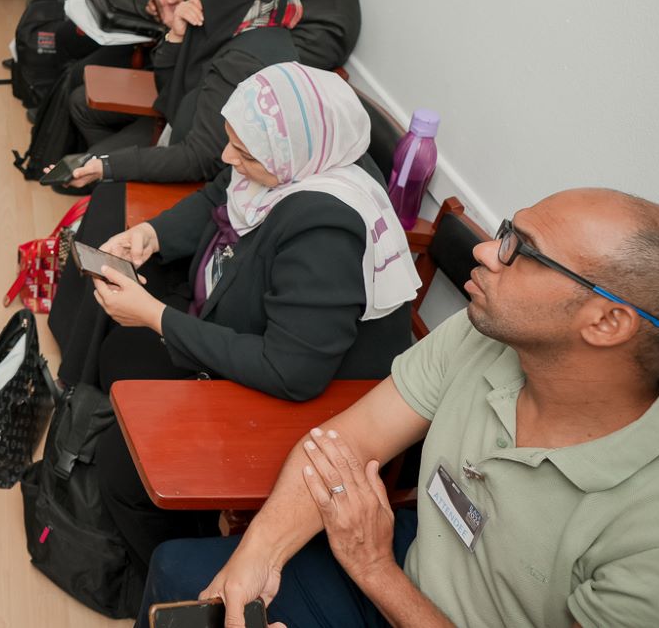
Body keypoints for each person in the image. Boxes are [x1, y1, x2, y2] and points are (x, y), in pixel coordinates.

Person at [141, 189, 659, 628]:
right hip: (407, 571)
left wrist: (376, 569)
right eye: (505, 233)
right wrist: (256, 559)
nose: (484, 252)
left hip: (390, 575)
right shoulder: (487, 338)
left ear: (607, 322)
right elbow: (347, 445)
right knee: (185, 574)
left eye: (521, 250)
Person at [62, 65, 419, 608]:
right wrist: (151, 234)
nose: (229, 158)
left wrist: (158, 317)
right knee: (122, 353)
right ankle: (177, 521)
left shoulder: (326, 228)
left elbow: (291, 372)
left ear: (293, 156)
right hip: (247, 329)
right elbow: (217, 196)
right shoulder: (293, 160)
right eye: (231, 142)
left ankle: (183, 586)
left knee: (122, 467)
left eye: (245, 153)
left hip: (309, 399)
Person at [51, 0, 303, 191]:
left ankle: (118, 188)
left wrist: (109, 166)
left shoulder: (244, 60)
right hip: (177, 126)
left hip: (204, 174)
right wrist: (176, 35)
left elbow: (200, 158)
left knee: (96, 181)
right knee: (82, 118)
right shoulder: (232, 24)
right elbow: (168, 90)